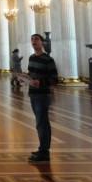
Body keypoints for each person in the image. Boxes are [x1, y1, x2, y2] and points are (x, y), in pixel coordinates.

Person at [25, 34, 58, 163]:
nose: (34, 42)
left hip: (43, 95)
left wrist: (41, 83)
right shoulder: (31, 58)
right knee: (40, 122)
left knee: (42, 122)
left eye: (36, 39)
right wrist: (25, 78)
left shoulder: (48, 60)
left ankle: (44, 151)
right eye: (32, 39)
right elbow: (31, 74)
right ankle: (42, 149)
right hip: (33, 93)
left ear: (42, 43)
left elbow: (54, 79)